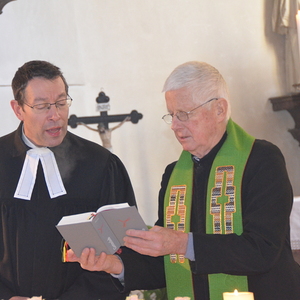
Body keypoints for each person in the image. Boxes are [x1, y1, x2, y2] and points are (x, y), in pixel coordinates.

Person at [68, 61, 300, 300]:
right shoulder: (174, 175)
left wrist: (180, 243)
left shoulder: (261, 160)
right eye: (171, 115)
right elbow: (166, 266)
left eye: (184, 114)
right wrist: (111, 264)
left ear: (219, 109)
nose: (175, 126)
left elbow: (261, 250)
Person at [0, 60, 136, 300]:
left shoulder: (100, 166)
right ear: (18, 109)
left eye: (62, 103)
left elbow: (122, 252)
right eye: (42, 106)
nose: (56, 115)